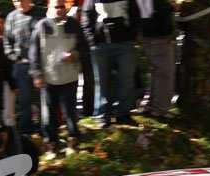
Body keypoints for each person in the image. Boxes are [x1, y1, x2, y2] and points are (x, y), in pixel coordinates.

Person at [30, 0, 88, 153]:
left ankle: (73, 141)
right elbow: (33, 53)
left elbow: (84, 47)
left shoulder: (74, 24)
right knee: (49, 113)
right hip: (49, 78)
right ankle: (51, 145)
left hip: (70, 76)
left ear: (66, 8)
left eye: (62, 7)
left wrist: (74, 55)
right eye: (56, 7)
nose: (59, 10)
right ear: (49, 7)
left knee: (70, 111)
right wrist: (37, 74)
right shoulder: (41, 25)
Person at [81, 0, 140, 128]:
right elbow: (86, 18)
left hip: (125, 44)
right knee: (102, 81)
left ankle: (123, 114)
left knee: (126, 79)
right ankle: (103, 116)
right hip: (101, 45)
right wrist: (92, 41)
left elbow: (135, 14)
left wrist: (131, 37)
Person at [4, 0, 47, 135]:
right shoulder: (11, 17)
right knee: (24, 100)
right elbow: (7, 42)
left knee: (44, 98)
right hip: (21, 65)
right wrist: (15, 58)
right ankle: (25, 130)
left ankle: (45, 128)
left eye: (22, 0)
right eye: (16, 1)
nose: (19, 3)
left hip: (42, 64)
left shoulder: (42, 12)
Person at [139, 0, 176, 118]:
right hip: (159, 36)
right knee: (165, 73)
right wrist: (171, 6)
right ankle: (161, 109)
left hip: (148, 34)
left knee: (155, 72)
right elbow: (161, 10)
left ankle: (151, 104)